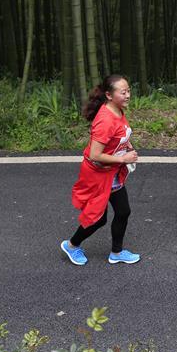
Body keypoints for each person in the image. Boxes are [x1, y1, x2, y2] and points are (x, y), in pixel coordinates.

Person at [61, 75, 140, 266]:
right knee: (98, 218)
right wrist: (123, 158)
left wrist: (127, 145)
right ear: (109, 95)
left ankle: (117, 252)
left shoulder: (118, 111)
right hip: (98, 174)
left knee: (123, 211)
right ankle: (71, 245)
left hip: (111, 172)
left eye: (129, 90)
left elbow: (119, 135)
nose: (128, 95)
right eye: (123, 92)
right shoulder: (105, 120)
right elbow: (95, 154)